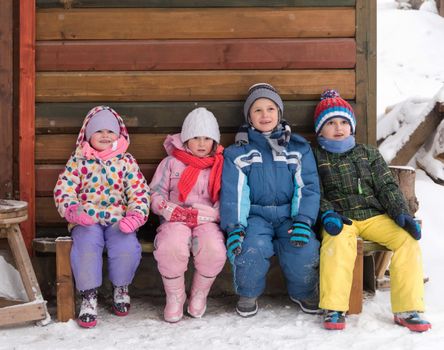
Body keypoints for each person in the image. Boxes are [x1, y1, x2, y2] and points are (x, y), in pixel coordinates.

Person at [312, 89, 431, 332]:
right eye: (331, 123)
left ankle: (409, 308)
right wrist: (327, 214)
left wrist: (400, 213)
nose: (338, 127)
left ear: (351, 126)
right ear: (320, 129)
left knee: (406, 239)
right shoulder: (315, 157)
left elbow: (387, 186)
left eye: (344, 122)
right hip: (340, 218)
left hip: (374, 216)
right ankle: (334, 307)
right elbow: (313, 191)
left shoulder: (368, 154)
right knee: (336, 242)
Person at [220, 83, 321, 317]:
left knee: (303, 248)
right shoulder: (239, 152)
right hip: (255, 216)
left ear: (279, 113)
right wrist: (236, 226)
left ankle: (303, 290)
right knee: (250, 247)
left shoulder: (297, 149)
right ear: (249, 116)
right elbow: (233, 192)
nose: (264, 115)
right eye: (257, 110)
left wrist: (303, 221)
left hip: (289, 215)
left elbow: (307, 187)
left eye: (270, 109)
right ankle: (247, 292)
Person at [54, 106, 150, 328]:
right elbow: (64, 188)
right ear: (88, 135)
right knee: (86, 245)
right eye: (99, 131)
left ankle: (121, 287)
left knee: (126, 245)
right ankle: (88, 295)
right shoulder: (78, 160)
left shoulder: (126, 161)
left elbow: (139, 191)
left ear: (118, 135)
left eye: (110, 131)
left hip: (119, 218)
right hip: (86, 218)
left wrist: (136, 214)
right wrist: (73, 210)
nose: (105, 135)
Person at [150, 107, 226, 323]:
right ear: (185, 139)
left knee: (213, 248)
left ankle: (200, 293)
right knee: (170, 246)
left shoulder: (220, 165)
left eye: (207, 138)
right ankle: (174, 296)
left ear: (214, 140)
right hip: (175, 219)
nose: (201, 144)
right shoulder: (171, 162)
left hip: (207, 220)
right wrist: (164, 207)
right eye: (195, 138)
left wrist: (216, 212)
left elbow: (228, 195)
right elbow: (154, 191)